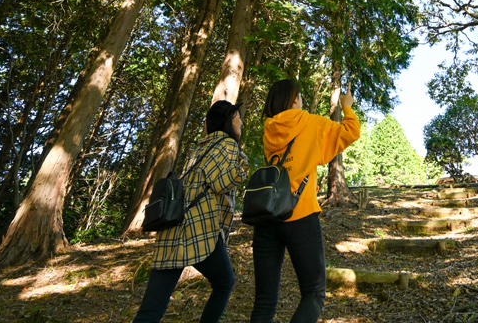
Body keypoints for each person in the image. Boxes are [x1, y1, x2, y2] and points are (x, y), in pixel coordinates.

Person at [249, 79, 359, 323]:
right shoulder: (310, 123)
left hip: (266, 216)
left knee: (264, 302)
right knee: (314, 294)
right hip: (300, 215)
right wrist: (347, 106)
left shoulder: (269, 129)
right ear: (295, 99)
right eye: (300, 97)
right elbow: (350, 132)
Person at [133, 100, 249, 323]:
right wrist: (242, 165)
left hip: (171, 230)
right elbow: (221, 182)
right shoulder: (227, 145)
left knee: (150, 311)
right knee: (225, 283)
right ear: (228, 121)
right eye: (237, 116)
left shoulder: (199, 147)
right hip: (198, 230)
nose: (241, 121)